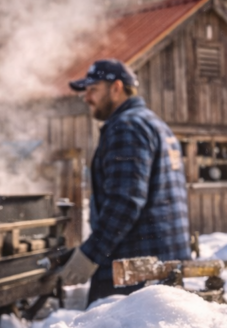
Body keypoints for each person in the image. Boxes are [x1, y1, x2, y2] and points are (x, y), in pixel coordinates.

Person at [58, 59, 191, 304]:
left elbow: (125, 201)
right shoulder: (154, 123)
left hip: (132, 271)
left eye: (93, 89)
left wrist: (90, 254)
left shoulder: (126, 127)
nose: (87, 98)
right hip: (162, 265)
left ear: (116, 88)